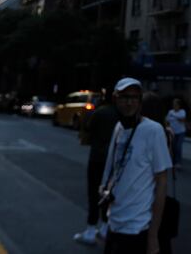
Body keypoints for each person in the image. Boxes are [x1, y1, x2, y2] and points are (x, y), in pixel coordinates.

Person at [100, 78, 171, 254]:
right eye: (124, 97)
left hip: (138, 228)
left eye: (134, 97)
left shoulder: (153, 130)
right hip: (114, 222)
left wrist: (153, 235)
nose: (129, 102)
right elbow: (113, 168)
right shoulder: (119, 128)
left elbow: (162, 183)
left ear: (140, 101)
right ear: (115, 99)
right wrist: (104, 188)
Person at [74, 90, 119, 246]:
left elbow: (87, 127)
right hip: (114, 160)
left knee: (93, 193)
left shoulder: (100, 112)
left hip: (98, 157)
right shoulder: (122, 114)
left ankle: (91, 230)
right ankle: (106, 227)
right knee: (109, 194)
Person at [142, 91, 176, 254]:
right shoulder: (167, 133)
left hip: (147, 194)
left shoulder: (147, 134)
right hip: (160, 193)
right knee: (163, 241)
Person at [166, 99, 186, 168]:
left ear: (179, 105)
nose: (174, 105)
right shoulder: (170, 112)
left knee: (178, 147)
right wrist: (167, 127)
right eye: (173, 104)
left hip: (181, 132)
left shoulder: (182, 112)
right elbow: (167, 120)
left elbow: (182, 119)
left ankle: (178, 163)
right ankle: (174, 162)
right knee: (173, 148)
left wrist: (174, 116)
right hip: (172, 133)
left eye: (176, 104)